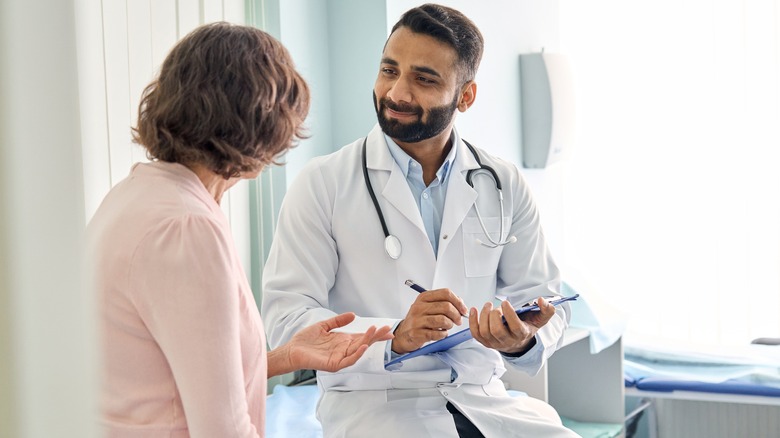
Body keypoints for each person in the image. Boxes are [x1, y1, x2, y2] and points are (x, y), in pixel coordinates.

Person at [261, 4, 578, 438]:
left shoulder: (502, 183)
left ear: (465, 95)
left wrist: (520, 338)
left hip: (481, 397)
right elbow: (286, 317)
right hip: (375, 404)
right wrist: (395, 336)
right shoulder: (323, 184)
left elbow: (543, 298)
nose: (397, 93)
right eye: (389, 70)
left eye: (424, 79)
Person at [86, 22, 392, 437]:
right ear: (263, 123)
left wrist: (286, 356)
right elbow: (222, 428)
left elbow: (176, 376)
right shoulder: (187, 228)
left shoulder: (134, 194)